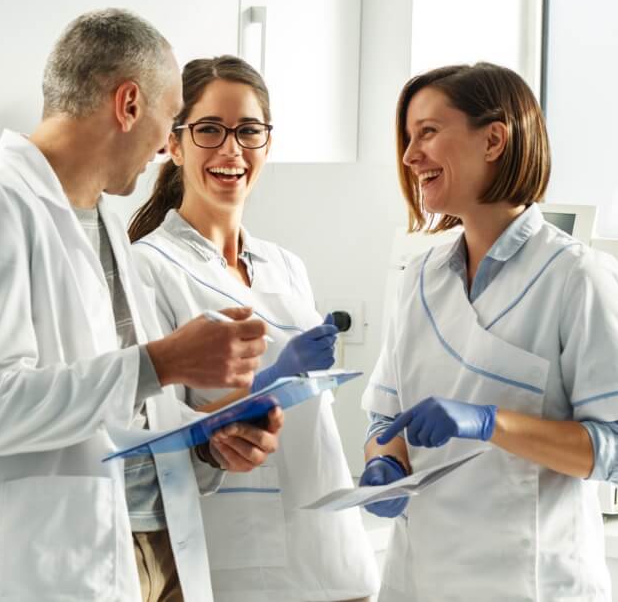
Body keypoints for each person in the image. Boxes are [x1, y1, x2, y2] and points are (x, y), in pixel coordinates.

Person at [0, 9, 285, 602]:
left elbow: (122, 410)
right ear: (129, 104)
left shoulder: (107, 217)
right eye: (172, 116)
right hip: (56, 561)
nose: (166, 143)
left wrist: (209, 442)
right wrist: (163, 362)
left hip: (158, 547)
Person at [360, 62, 618, 601]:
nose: (409, 156)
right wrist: (383, 459)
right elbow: (386, 414)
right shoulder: (420, 279)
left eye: (427, 132)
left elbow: (613, 446)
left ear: (494, 139)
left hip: (532, 583)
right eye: (408, 138)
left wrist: (489, 423)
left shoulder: (575, 278)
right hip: (419, 578)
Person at [128, 55, 380, 602]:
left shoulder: (286, 265)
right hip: (234, 557)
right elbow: (158, 437)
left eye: (248, 131)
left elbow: (314, 418)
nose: (231, 149)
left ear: (268, 143)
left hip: (331, 546)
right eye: (210, 130)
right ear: (174, 144)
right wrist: (271, 380)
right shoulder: (148, 268)